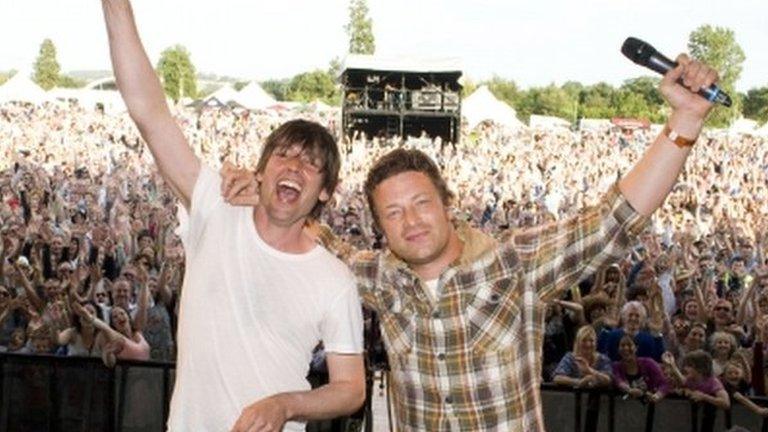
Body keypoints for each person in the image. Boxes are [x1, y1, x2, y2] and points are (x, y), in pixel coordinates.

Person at [224, 50, 721, 430]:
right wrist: (266, 191)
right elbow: (322, 238)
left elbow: (615, 218)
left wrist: (685, 121)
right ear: (381, 227)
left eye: (421, 204)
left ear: (447, 204)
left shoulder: (515, 264)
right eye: (393, 213)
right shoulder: (380, 277)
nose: (411, 221)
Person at [99, 1, 365, 431]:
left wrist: (284, 405)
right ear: (260, 171)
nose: (294, 167)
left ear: (325, 193)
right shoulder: (214, 209)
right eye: (283, 155)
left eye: (311, 164)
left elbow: (351, 388)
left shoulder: (334, 278)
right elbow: (148, 111)